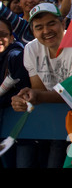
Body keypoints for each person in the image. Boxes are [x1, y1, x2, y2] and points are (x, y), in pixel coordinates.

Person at [11, 3, 72, 168]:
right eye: (39, 27)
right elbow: (38, 89)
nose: (46, 31)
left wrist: (37, 96)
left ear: (63, 23)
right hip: (51, 120)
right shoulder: (31, 49)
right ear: (33, 31)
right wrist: (25, 98)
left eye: (51, 23)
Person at [0, 18, 31, 168]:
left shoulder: (15, 57)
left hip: (20, 132)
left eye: (3, 34)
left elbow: (24, 92)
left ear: (12, 37)